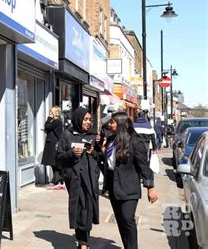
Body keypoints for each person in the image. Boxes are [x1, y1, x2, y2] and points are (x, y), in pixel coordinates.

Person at [103, 111, 158, 249]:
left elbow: (143, 166)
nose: (109, 125)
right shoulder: (111, 140)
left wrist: (150, 187)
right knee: (120, 220)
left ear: (121, 123)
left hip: (129, 187)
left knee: (127, 218)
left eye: (112, 122)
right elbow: (108, 163)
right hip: (113, 186)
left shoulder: (135, 141)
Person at [57, 106, 100, 249]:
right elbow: (58, 158)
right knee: (81, 208)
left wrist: (93, 152)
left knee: (88, 208)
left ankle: (83, 242)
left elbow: (100, 158)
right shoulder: (67, 135)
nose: (88, 122)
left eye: (90, 120)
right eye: (85, 119)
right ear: (78, 119)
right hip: (74, 179)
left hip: (90, 179)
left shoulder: (93, 136)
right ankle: (83, 243)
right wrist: (71, 153)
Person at [41, 106, 64, 189]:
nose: (50, 113)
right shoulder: (55, 121)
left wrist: (49, 118)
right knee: (53, 164)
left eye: (51, 112)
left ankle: (56, 180)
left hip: (53, 144)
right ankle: (58, 180)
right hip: (51, 143)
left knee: (54, 163)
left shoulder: (57, 121)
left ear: (56, 112)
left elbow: (47, 126)